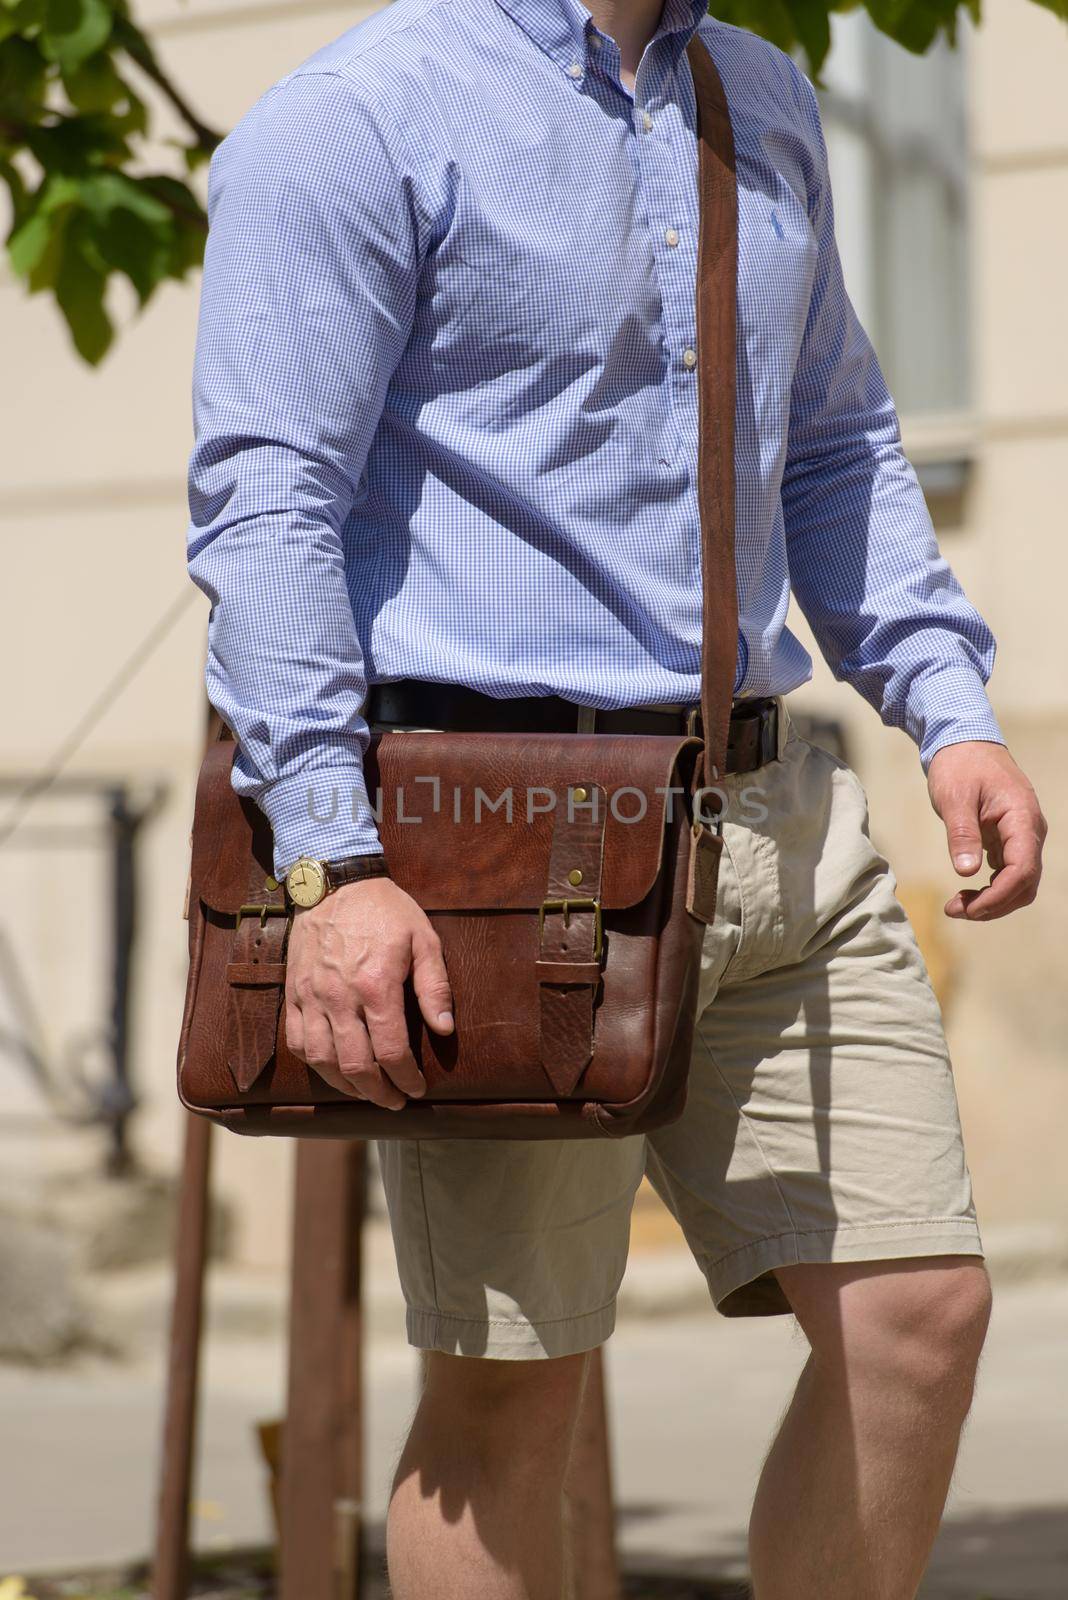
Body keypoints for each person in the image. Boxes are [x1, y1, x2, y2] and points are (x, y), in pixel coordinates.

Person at [185, 0, 1047, 1593]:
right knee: (514, 1394)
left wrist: (947, 708)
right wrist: (330, 862)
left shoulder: (765, 98)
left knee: (918, 1312)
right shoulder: (361, 117)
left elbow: (836, 438)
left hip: (771, 807)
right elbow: (267, 505)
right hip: (497, 842)